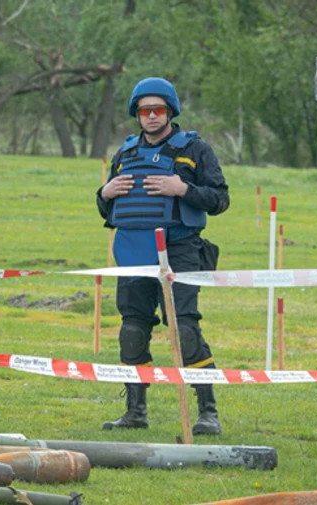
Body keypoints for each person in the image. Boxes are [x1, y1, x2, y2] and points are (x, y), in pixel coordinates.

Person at [96, 77, 230, 435]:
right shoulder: (124, 153)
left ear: (170, 112)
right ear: (136, 115)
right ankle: (135, 412)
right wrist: (104, 193)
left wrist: (183, 189)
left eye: (158, 110)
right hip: (133, 252)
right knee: (132, 332)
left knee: (184, 331)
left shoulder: (194, 149)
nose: (152, 116)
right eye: (144, 110)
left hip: (181, 251)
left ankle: (208, 412)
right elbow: (107, 210)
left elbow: (220, 200)